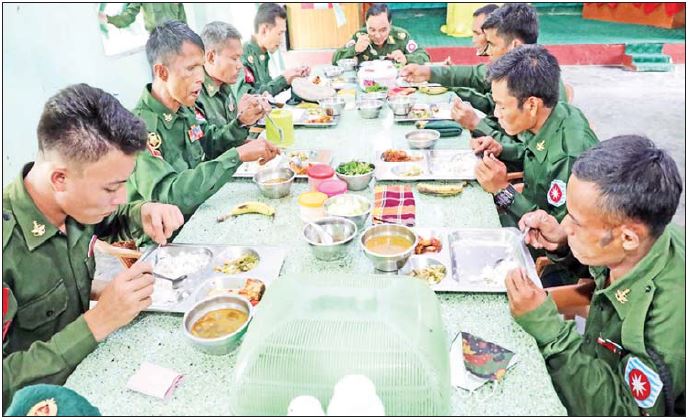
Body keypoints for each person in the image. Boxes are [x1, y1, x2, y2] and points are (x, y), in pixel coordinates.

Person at [2, 84, 185, 410]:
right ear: (60, 179)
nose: (120, 197)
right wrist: (100, 320)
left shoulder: (75, 203)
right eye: (111, 188)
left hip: (94, 368)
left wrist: (143, 213)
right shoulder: (8, 248)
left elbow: (112, 219)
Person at [506, 135, 685, 416]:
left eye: (576, 222)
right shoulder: (645, 236)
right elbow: (603, 263)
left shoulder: (666, 324)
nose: (566, 225)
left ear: (628, 237)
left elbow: (624, 411)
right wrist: (562, 243)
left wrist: (550, 331)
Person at [127, 21, 280, 217]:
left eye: (201, 66)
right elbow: (169, 196)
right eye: (191, 68)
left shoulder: (183, 108)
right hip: (171, 229)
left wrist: (241, 125)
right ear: (162, 72)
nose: (200, 77)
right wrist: (237, 155)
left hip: (201, 209)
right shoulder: (137, 129)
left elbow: (209, 143)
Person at [400, 3, 568, 161]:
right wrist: (431, 74)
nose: (488, 51)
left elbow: (529, 155)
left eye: (492, 44)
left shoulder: (535, 83)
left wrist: (478, 125)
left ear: (514, 45)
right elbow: (475, 77)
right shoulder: (517, 68)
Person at [198, 21, 268, 142]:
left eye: (240, 58)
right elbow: (208, 146)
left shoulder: (224, 84)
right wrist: (241, 122)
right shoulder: (194, 93)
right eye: (234, 58)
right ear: (211, 57)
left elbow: (231, 140)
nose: (240, 65)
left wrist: (245, 116)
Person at [241, 3, 310, 97]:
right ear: (264, 30)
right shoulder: (242, 55)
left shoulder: (261, 53)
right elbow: (248, 98)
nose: (281, 40)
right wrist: (283, 79)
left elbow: (267, 89)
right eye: (280, 33)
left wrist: (291, 77)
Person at [332, 3, 430, 65]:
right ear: (366, 24)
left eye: (383, 30)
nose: (377, 36)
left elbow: (425, 57)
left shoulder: (401, 36)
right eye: (372, 30)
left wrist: (406, 58)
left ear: (390, 24)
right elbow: (335, 60)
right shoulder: (360, 36)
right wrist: (354, 49)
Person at [100, 2, 186, 33]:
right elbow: (128, 16)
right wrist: (108, 19)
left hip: (178, 36)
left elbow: (182, 19)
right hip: (158, 40)